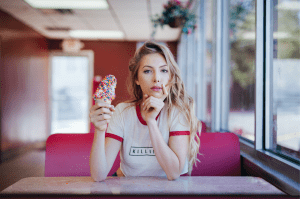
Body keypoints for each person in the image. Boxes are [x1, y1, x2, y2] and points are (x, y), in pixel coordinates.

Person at [89, 41, 201, 181]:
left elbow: (173, 173)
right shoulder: (122, 111)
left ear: (171, 77)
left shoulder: (177, 113)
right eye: (147, 71)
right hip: (128, 189)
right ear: (136, 78)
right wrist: (99, 130)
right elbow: (98, 176)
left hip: (169, 192)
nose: (156, 78)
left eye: (164, 70)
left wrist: (151, 122)